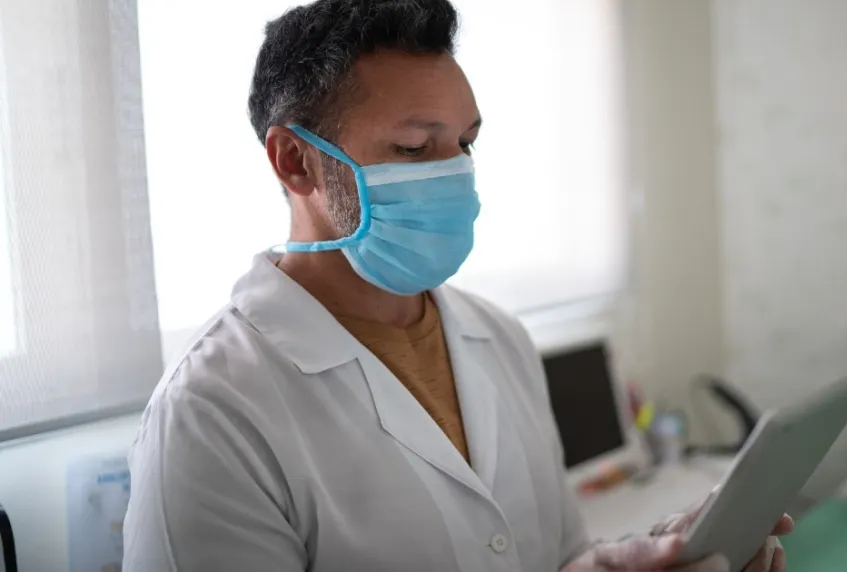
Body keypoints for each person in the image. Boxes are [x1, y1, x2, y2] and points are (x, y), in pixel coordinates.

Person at [122, 1, 792, 570]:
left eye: (465, 144)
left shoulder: (499, 338)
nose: (453, 176)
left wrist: (637, 557)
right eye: (414, 150)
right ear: (295, 161)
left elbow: (551, 555)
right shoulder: (212, 415)